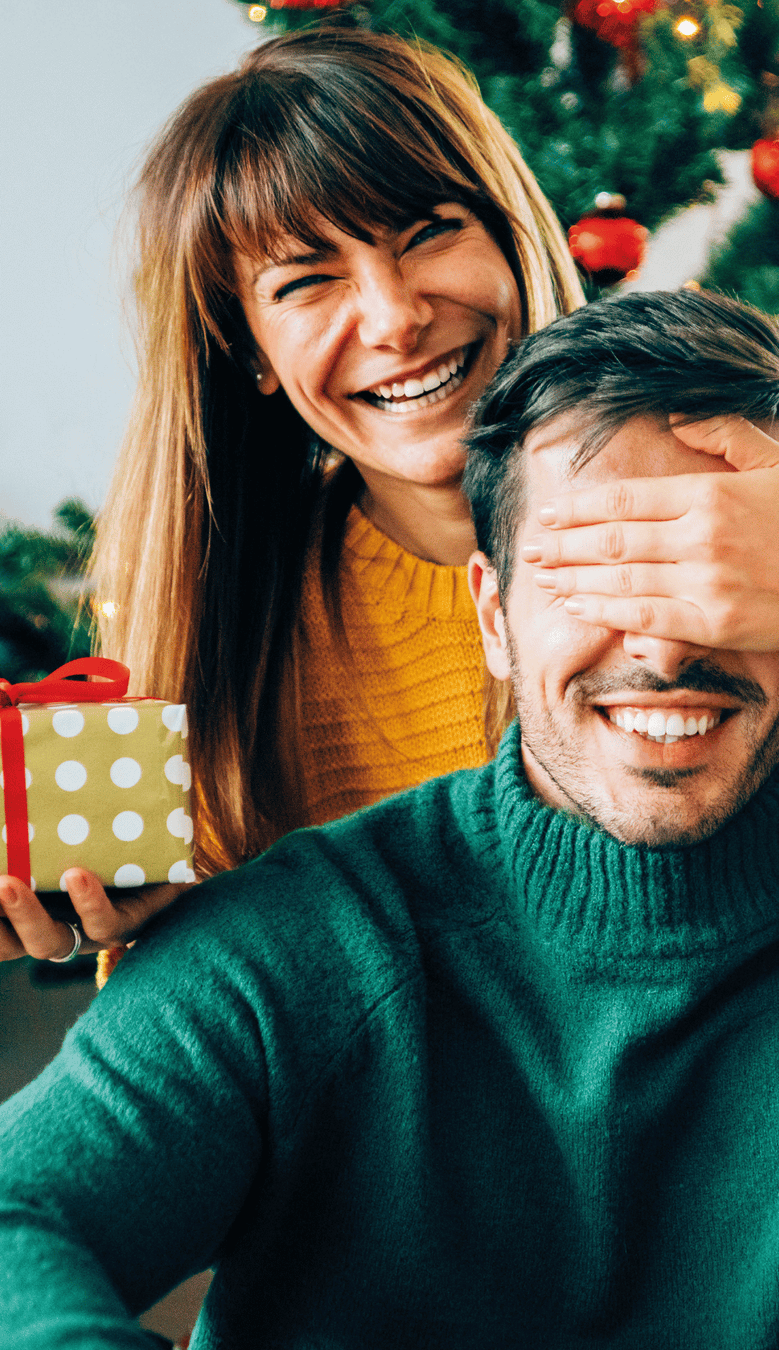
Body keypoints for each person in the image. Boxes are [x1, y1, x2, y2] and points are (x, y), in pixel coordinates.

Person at [2, 288, 779, 1347]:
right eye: (593, 573)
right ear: (493, 618)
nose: (659, 643)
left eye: (719, 576)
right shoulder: (306, 944)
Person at [0, 19, 583, 974]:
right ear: (249, 355)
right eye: (308, 282)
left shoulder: (715, 519)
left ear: (512, 241)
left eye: (430, 231)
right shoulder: (232, 629)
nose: (394, 318)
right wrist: (143, 930)